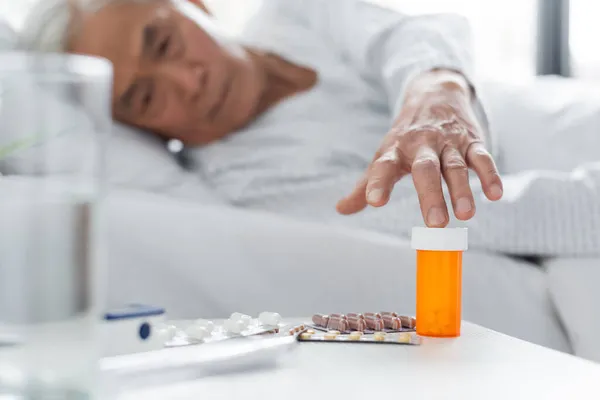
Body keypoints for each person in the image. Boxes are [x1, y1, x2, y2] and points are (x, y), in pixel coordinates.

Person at [20, 0, 600, 256]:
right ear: (137, 130)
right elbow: (477, 212)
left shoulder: (293, 12)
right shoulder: (252, 184)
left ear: (191, 3)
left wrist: (436, 86)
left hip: (553, 112)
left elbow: (405, 33)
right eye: (146, 97)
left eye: (165, 41)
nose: (187, 80)